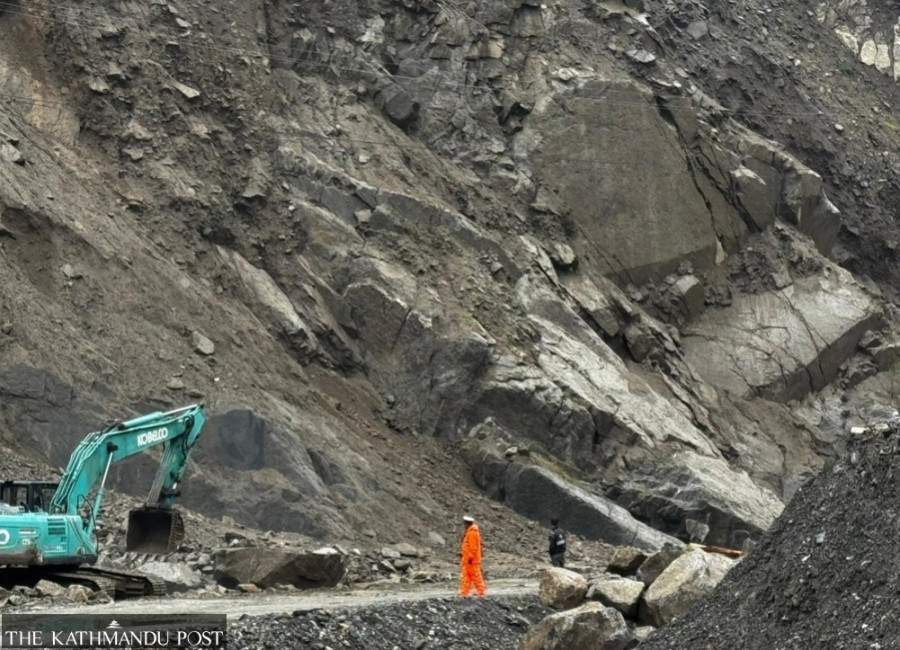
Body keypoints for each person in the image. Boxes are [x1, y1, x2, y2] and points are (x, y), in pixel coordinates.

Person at [459, 515, 486, 597]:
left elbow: (473, 547)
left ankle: (481, 592)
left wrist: (470, 557)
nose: (464, 525)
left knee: (475, 576)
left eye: (465, 523)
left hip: (471, 560)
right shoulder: (471, 532)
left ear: (468, 523)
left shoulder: (472, 533)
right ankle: (464, 592)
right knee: (466, 576)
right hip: (468, 559)